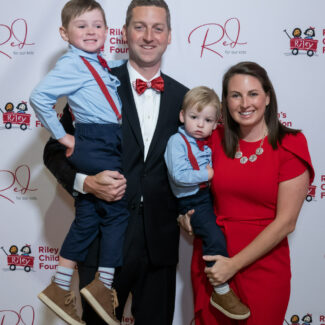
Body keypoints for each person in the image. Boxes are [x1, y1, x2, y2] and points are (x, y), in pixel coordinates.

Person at [42, 0, 188, 324]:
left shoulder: (185, 98)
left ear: (169, 36)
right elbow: (53, 151)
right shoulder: (92, 81)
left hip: (159, 248)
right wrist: (86, 183)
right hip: (103, 242)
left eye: (158, 28)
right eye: (139, 26)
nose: (149, 36)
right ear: (124, 33)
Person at [179, 61, 314, 324]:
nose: (244, 104)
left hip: (262, 266)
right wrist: (185, 215)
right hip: (214, 263)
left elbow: (286, 222)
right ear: (225, 102)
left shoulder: (291, 144)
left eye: (253, 93)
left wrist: (234, 264)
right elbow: (187, 184)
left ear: (267, 97)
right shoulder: (212, 139)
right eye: (235, 95)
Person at [30, 1, 128, 324]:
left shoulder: (96, 63)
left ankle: (60, 284)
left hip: (102, 138)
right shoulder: (73, 64)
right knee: (115, 212)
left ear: (107, 30)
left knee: (88, 215)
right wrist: (63, 136)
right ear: (64, 33)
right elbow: (39, 97)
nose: (91, 32)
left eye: (97, 25)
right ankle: (103, 285)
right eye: (81, 26)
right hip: (96, 139)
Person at [164, 86, 250, 320]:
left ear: (215, 123)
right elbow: (179, 175)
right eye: (194, 117)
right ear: (182, 116)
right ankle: (221, 291)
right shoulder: (177, 141)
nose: (200, 125)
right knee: (214, 237)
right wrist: (207, 174)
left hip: (207, 198)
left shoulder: (209, 139)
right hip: (191, 201)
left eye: (208, 120)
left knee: (223, 236)